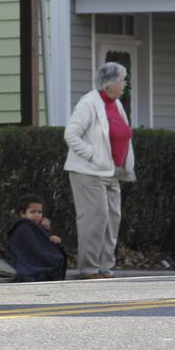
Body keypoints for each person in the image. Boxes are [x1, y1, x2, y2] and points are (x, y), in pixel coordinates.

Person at [64, 61, 135, 280]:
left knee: (112, 219)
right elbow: (71, 134)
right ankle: (89, 269)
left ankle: (105, 267)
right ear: (110, 83)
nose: (125, 84)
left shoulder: (116, 103)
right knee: (95, 218)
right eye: (122, 80)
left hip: (112, 172)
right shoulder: (89, 103)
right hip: (88, 172)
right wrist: (92, 154)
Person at [3, 194, 67, 282]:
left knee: (58, 258)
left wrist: (49, 234)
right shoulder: (23, 226)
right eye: (32, 212)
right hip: (27, 260)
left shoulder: (39, 226)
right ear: (23, 214)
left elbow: (42, 241)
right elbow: (31, 247)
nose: (37, 215)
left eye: (40, 212)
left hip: (38, 259)